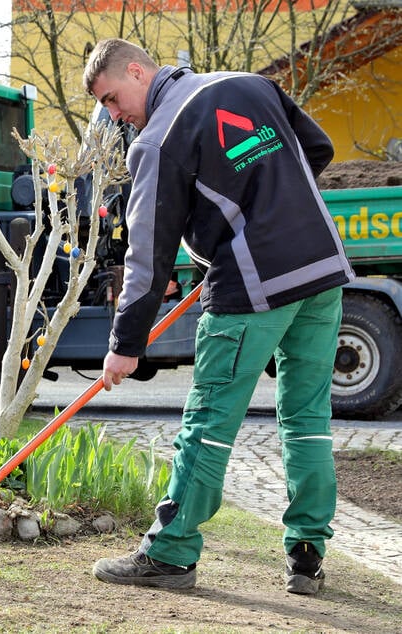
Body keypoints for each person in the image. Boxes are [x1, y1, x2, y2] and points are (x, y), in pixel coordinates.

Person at [83, 38, 354, 594]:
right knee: (308, 421)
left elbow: (148, 254)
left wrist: (124, 343)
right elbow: (318, 150)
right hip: (322, 269)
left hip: (252, 290)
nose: (114, 116)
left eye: (112, 99)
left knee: (208, 425)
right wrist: (271, 210)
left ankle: (172, 553)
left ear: (138, 70)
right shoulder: (250, 84)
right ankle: (307, 557)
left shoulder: (158, 141)